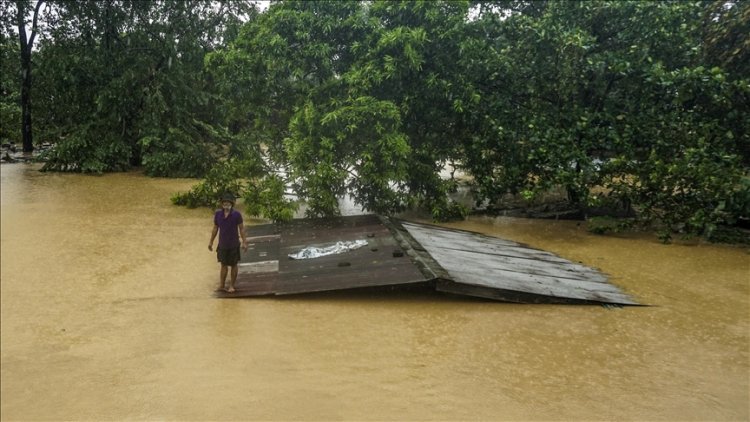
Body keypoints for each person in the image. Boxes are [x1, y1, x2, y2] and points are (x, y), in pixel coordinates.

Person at [208, 193, 247, 293]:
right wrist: (211, 242)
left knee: (234, 265)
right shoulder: (218, 214)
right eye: (224, 202)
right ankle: (222, 285)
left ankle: (232, 286)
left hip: (234, 244)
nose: (226, 204)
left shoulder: (236, 215)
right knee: (223, 265)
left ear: (232, 204)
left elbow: (241, 229)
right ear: (222, 204)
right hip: (222, 245)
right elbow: (215, 228)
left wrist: (244, 242)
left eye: (228, 203)